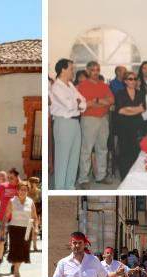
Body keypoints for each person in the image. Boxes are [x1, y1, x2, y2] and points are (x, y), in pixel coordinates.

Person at [77, 61, 114, 189]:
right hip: (89, 119)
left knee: (102, 148)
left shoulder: (104, 85)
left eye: (97, 69)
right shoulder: (82, 86)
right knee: (86, 149)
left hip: (103, 119)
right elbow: (86, 104)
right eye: (93, 70)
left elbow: (111, 100)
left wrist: (97, 101)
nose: (96, 72)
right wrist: (101, 102)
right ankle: (83, 179)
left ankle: (101, 176)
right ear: (87, 71)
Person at [51, 59, 86, 189]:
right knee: (62, 158)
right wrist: (76, 103)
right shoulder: (56, 87)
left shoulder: (71, 86)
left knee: (74, 158)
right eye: (71, 69)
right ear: (63, 70)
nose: (73, 71)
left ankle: (69, 186)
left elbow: (83, 103)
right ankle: (59, 188)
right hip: (63, 123)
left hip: (75, 123)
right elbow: (69, 105)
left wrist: (76, 103)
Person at [2, 181, 37, 277]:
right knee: (16, 249)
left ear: (27, 191)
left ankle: (16, 267)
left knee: (24, 250)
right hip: (14, 228)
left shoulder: (30, 202)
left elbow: (34, 217)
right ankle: (16, 271)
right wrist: (2, 228)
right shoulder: (12, 201)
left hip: (27, 229)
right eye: (21, 189)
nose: (22, 192)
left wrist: (35, 228)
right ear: (17, 190)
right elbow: (6, 216)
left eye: (25, 190)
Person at [114, 71, 146, 179]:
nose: (133, 81)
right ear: (125, 81)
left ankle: (135, 177)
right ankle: (124, 177)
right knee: (124, 153)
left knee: (136, 152)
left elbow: (143, 108)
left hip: (137, 127)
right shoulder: (120, 94)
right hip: (123, 127)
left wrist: (129, 108)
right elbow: (121, 111)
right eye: (130, 79)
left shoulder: (141, 93)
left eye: (135, 79)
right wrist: (136, 109)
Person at [0, 168, 20, 272]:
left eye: (11, 177)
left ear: (17, 177)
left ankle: (14, 263)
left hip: (16, 220)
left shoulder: (20, 187)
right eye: (8, 177)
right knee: (0, 241)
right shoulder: (2, 186)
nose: (9, 179)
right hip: (2, 218)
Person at [27, 176, 41, 251]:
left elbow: (41, 202)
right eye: (34, 182)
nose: (35, 184)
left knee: (35, 231)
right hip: (28, 213)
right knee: (28, 230)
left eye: (36, 182)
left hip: (36, 213)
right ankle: (28, 246)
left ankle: (35, 246)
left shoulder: (39, 191)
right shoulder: (26, 191)